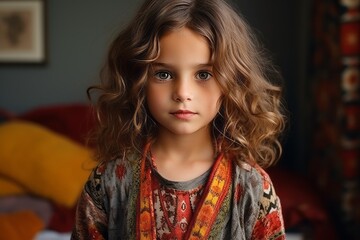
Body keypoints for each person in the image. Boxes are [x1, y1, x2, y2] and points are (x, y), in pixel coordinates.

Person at [71, 0, 286, 239]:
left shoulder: (252, 187)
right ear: (138, 80)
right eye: (163, 74)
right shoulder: (109, 181)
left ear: (232, 81)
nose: (183, 92)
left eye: (204, 74)